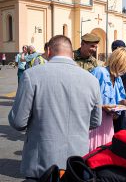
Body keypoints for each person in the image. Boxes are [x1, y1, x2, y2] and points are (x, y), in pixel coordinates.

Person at [8, 35, 102, 180]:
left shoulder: (31, 76)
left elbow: (18, 122)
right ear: (71, 54)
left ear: (49, 51)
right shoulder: (92, 81)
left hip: (41, 164)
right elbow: (96, 121)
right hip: (77, 164)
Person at [89, 48, 126, 150]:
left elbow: (117, 100)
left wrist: (124, 102)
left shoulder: (117, 78)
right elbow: (86, 98)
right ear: (120, 62)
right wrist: (102, 107)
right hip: (94, 123)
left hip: (108, 122)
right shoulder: (99, 72)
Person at [111, 40, 126, 132]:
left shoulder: (118, 75)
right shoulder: (101, 73)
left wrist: (124, 101)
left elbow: (121, 92)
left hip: (119, 108)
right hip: (107, 118)